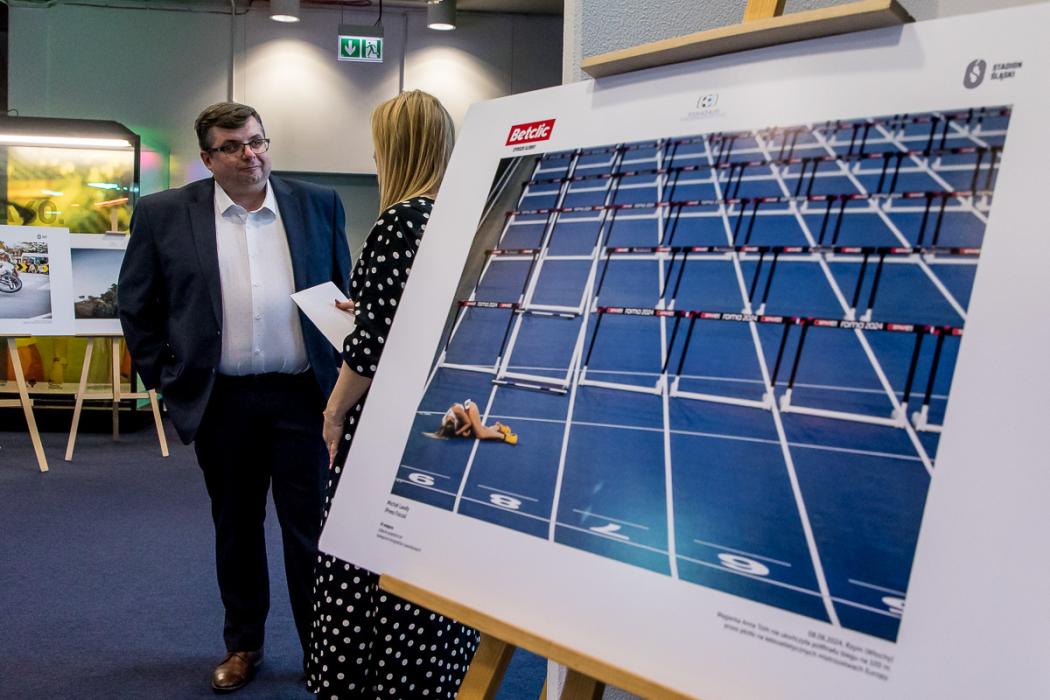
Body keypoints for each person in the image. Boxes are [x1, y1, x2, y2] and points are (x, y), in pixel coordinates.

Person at [117, 102, 351, 693]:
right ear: (207, 158)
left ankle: (322, 652)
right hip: (222, 403)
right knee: (237, 527)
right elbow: (137, 304)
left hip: (303, 398)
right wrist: (166, 380)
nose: (250, 155)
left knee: (311, 531)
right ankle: (244, 645)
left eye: (257, 141)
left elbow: (342, 295)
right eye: (232, 146)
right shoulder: (165, 214)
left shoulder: (317, 204)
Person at [306, 90, 479, 698]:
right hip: (438, 423)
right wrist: (371, 311)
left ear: (396, 149)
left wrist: (333, 411)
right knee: (422, 567)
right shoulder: (458, 220)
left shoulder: (399, 220)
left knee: (367, 561)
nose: (374, 157)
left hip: (384, 430)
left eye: (379, 145)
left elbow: (372, 349)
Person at [428, 398, 518, 444]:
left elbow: (468, 423)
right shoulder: (445, 423)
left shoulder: (457, 410)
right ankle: (498, 427)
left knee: (480, 434)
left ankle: (506, 437)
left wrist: (460, 432)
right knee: (480, 431)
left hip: (470, 409)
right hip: (465, 418)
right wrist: (464, 431)